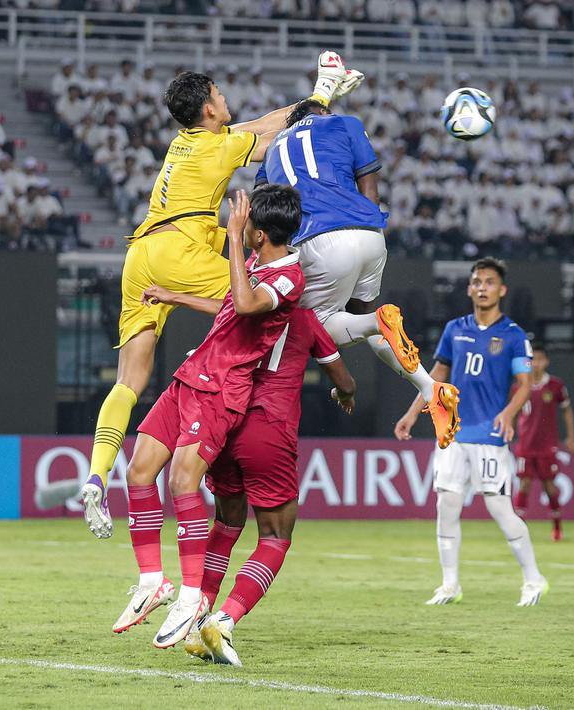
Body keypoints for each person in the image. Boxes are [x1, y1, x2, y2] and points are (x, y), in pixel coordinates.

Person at [81, 51, 364, 539]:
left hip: (142, 250)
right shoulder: (220, 148)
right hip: (182, 250)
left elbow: (261, 123)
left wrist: (323, 94)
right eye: (219, 94)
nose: (225, 98)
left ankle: (94, 475)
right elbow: (280, 131)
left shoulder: (186, 142)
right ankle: (339, 334)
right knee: (264, 297)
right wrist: (322, 92)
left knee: (129, 380)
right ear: (209, 109)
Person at [113, 186, 306, 650]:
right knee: (139, 468)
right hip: (191, 374)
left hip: (223, 390)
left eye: (242, 220)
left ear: (259, 232)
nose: (232, 223)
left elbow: (243, 304)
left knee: (182, 481)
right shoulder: (257, 265)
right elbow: (227, 307)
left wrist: (235, 242)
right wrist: (173, 296)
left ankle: (192, 596)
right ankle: (152, 580)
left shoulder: (289, 277)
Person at [142, 289, 356, 666]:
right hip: (269, 428)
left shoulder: (241, 312)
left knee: (227, 522)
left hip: (225, 418)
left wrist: (174, 296)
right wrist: (344, 391)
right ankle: (223, 621)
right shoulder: (305, 320)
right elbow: (344, 379)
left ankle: (197, 615)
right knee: (275, 536)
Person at [256, 99, 460, 448]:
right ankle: (430, 389)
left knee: (310, 328)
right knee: (363, 321)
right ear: (320, 113)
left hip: (318, 239)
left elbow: (268, 211)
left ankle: (258, 413)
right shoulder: (345, 123)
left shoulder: (273, 149)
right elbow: (369, 186)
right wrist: (367, 228)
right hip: (368, 234)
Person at [394, 257, 548, 607]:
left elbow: (525, 384)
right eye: (476, 281)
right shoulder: (455, 329)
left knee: (499, 509)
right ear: (469, 288)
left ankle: (534, 579)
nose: (482, 287)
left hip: (490, 436)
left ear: (501, 289)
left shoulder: (513, 335)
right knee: (446, 505)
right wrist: (411, 414)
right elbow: (435, 378)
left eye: (489, 282)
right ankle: (450, 585)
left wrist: (509, 414)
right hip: (452, 433)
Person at [512, 343, 574, 541]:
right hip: (525, 444)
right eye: (532, 360)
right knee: (523, 484)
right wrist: (511, 431)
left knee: (549, 486)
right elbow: (513, 412)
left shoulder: (555, 386)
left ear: (546, 361)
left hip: (547, 445)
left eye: (540, 359)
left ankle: (557, 528)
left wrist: (571, 436)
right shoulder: (519, 386)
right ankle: (519, 530)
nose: (536, 364)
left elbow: (567, 410)